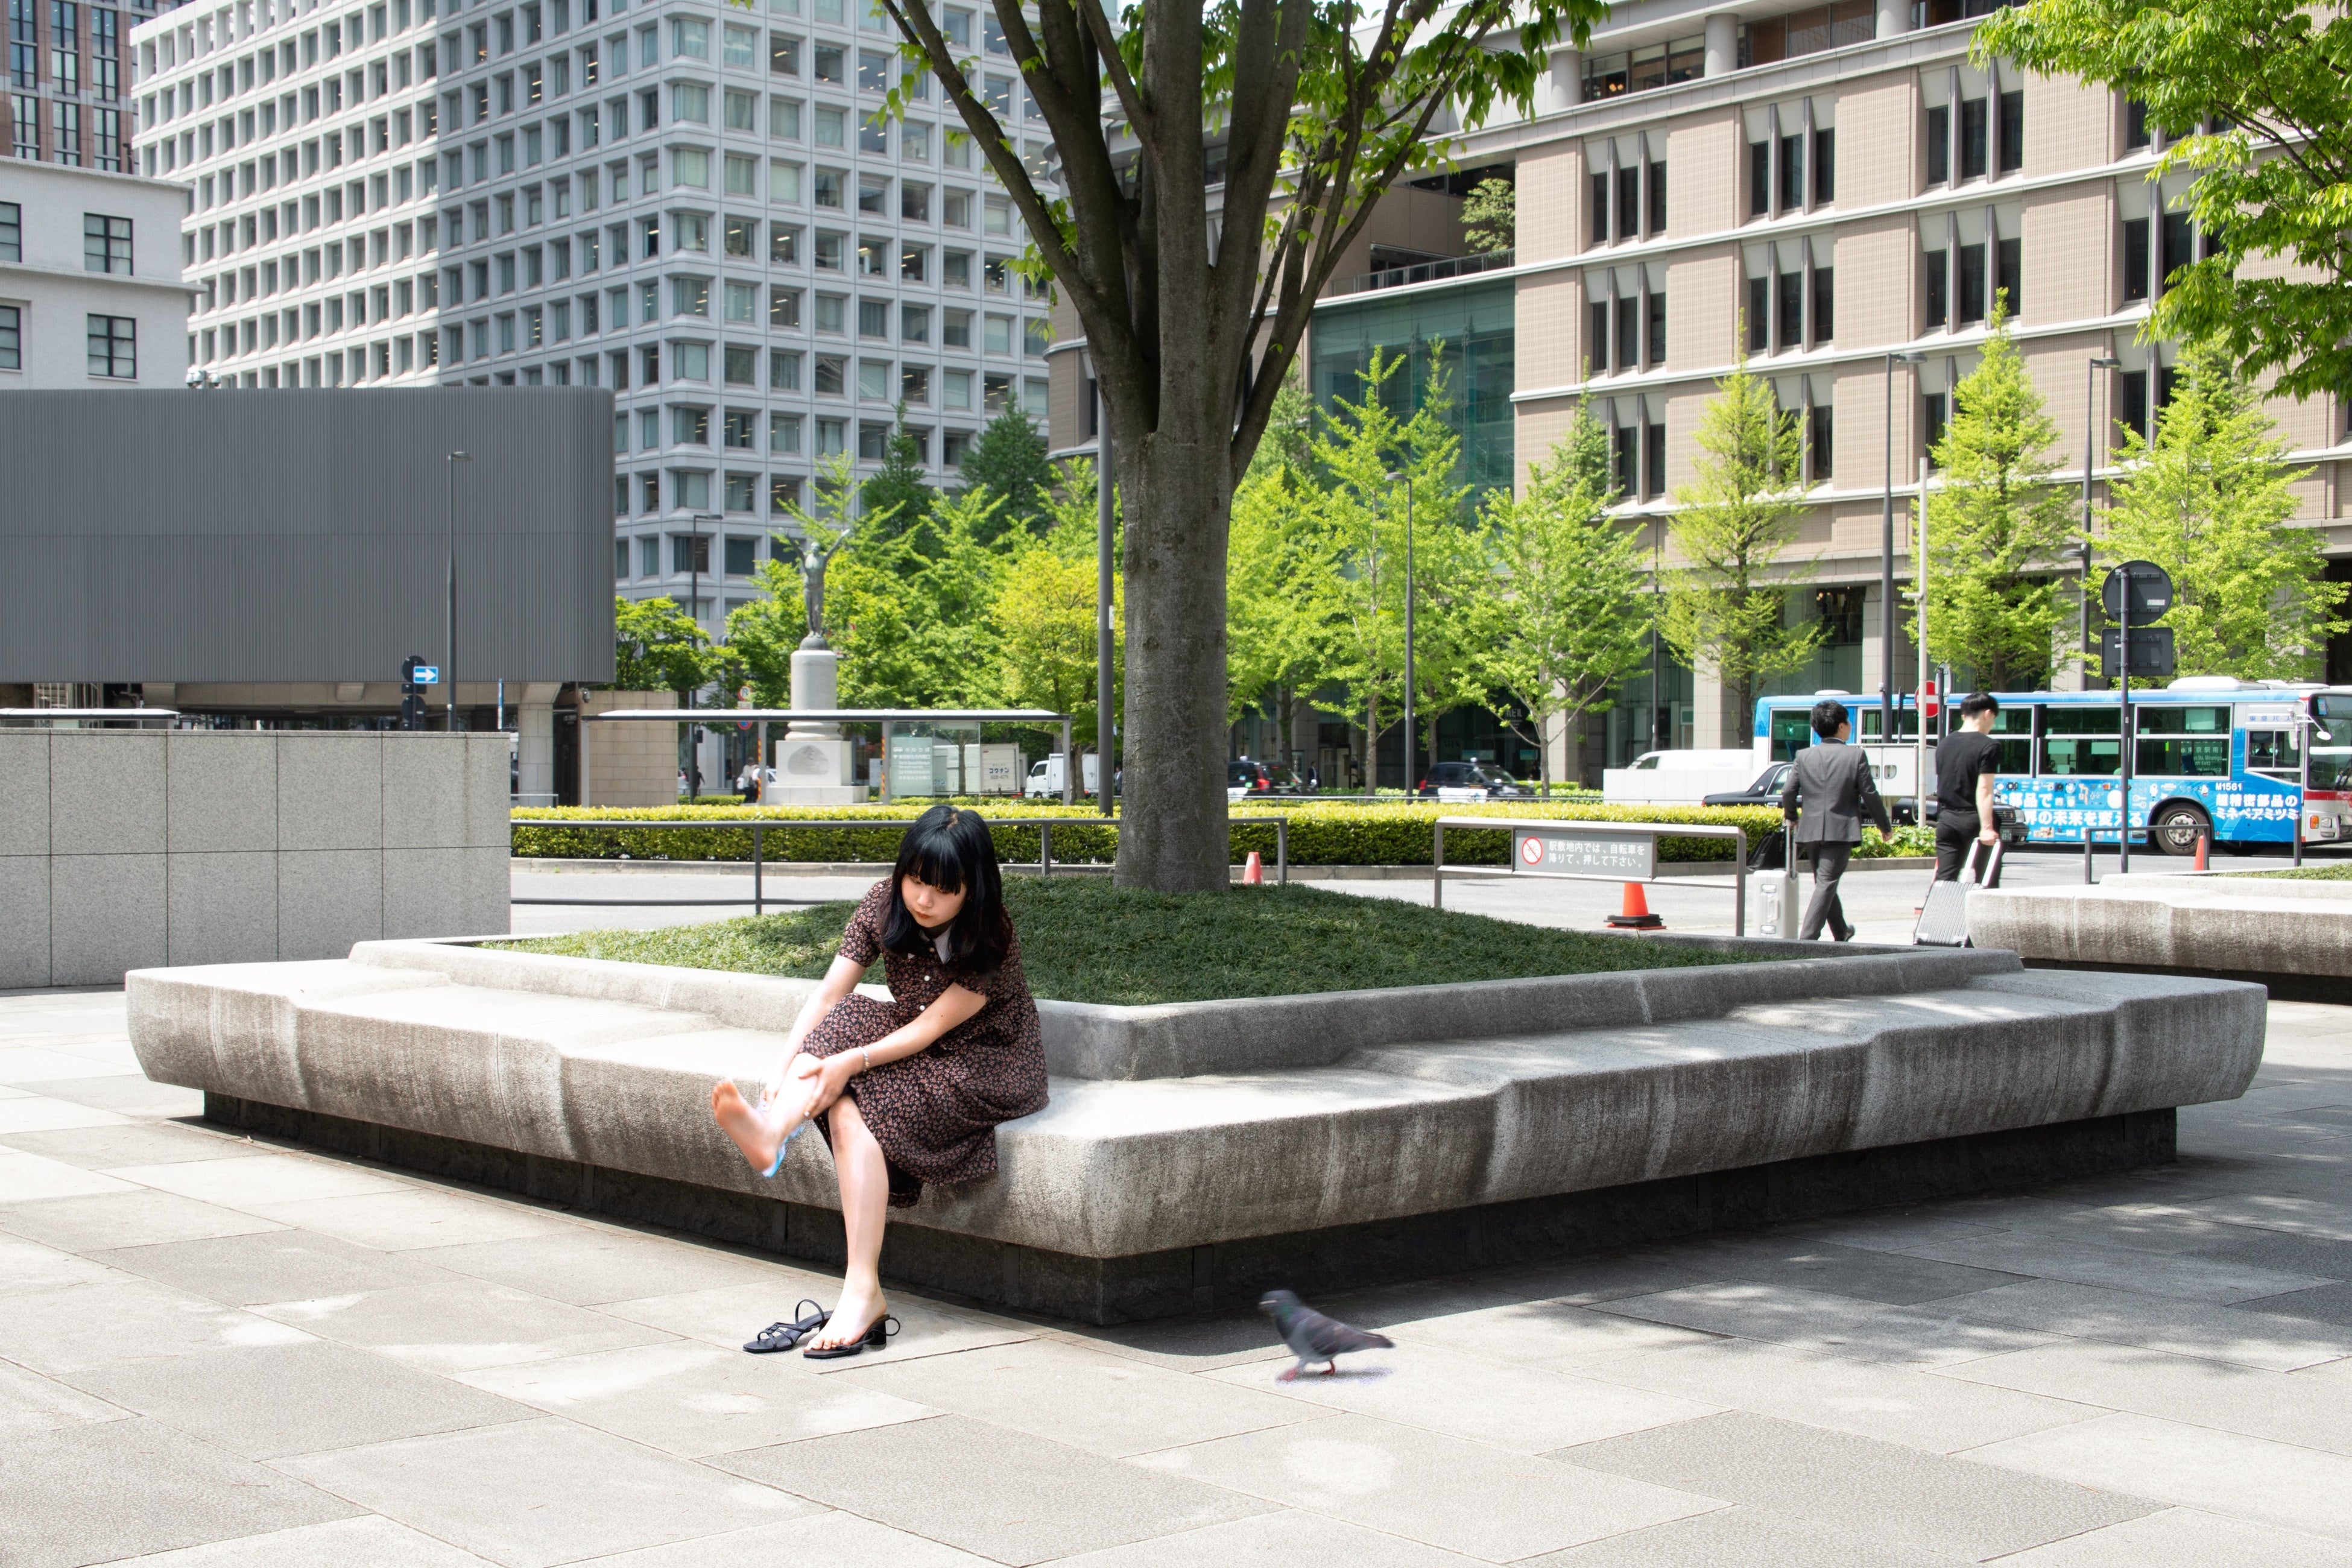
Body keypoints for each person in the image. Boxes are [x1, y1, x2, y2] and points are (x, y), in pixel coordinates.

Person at [709, 804, 1046, 1357]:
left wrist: (850, 1062)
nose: (923, 899)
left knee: (851, 1088)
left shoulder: (993, 936)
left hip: (986, 1061)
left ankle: (861, 1288)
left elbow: (930, 1029)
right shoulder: (882, 902)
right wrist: (780, 1071)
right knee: (847, 1032)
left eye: (944, 889)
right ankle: (775, 1137)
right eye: (916, 880)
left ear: (974, 888)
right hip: (916, 1038)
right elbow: (828, 995)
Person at [1778, 698, 1892, 942]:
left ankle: (1841, 932)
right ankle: (1806, 940)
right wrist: (1885, 826)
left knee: (1824, 882)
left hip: (1810, 831)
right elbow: (1869, 794)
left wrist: (1792, 817)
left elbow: (1788, 791)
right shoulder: (1855, 756)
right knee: (1826, 884)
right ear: (1841, 727)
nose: (1850, 727)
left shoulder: (1803, 756)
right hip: (1840, 830)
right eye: (1848, 723)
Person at [1934, 692, 2003, 882]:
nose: (1992, 725)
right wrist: (1987, 827)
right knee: (1987, 879)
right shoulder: (1989, 746)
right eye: (1994, 719)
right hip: (1973, 819)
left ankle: (1941, 912)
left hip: (1947, 820)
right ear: (1988, 714)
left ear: (1964, 715)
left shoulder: (1944, 744)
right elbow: (1984, 790)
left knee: (1944, 879)